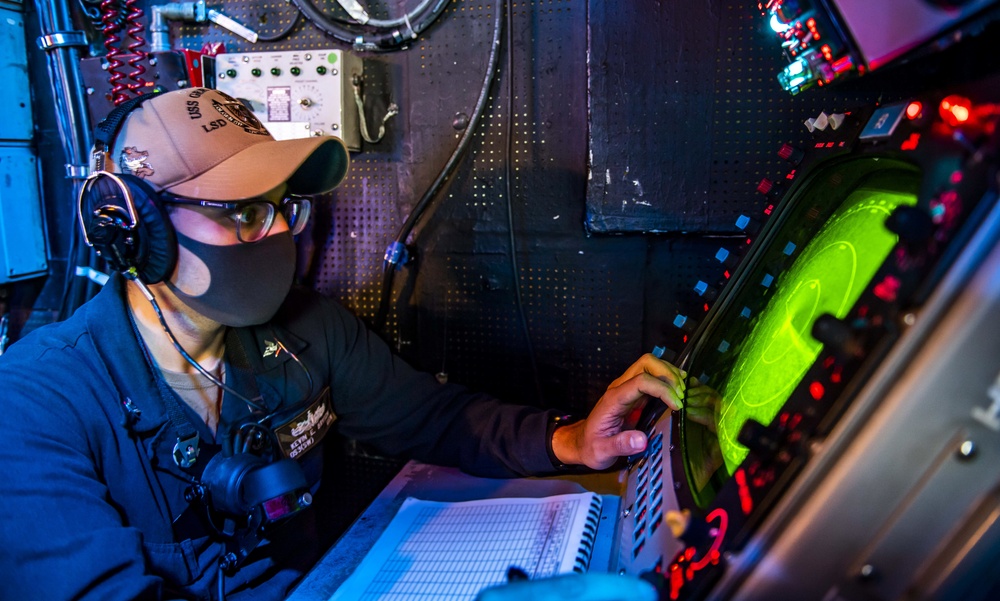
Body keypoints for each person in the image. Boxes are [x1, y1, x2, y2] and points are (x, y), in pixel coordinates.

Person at [0, 87, 687, 600]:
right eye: (241, 210)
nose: (276, 234)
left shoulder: (306, 330)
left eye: (281, 204)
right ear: (134, 227)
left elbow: (434, 418)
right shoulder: (35, 402)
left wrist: (568, 441)